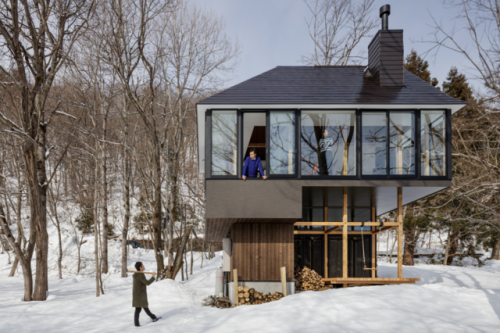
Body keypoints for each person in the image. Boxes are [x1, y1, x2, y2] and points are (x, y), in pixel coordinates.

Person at [133, 262, 160, 327]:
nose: (144, 266)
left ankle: (137, 323)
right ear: (140, 268)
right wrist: (153, 277)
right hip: (140, 296)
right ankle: (153, 318)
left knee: (140, 309)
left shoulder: (137, 274)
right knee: (141, 308)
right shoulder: (140, 275)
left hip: (138, 295)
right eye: (143, 265)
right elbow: (147, 283)